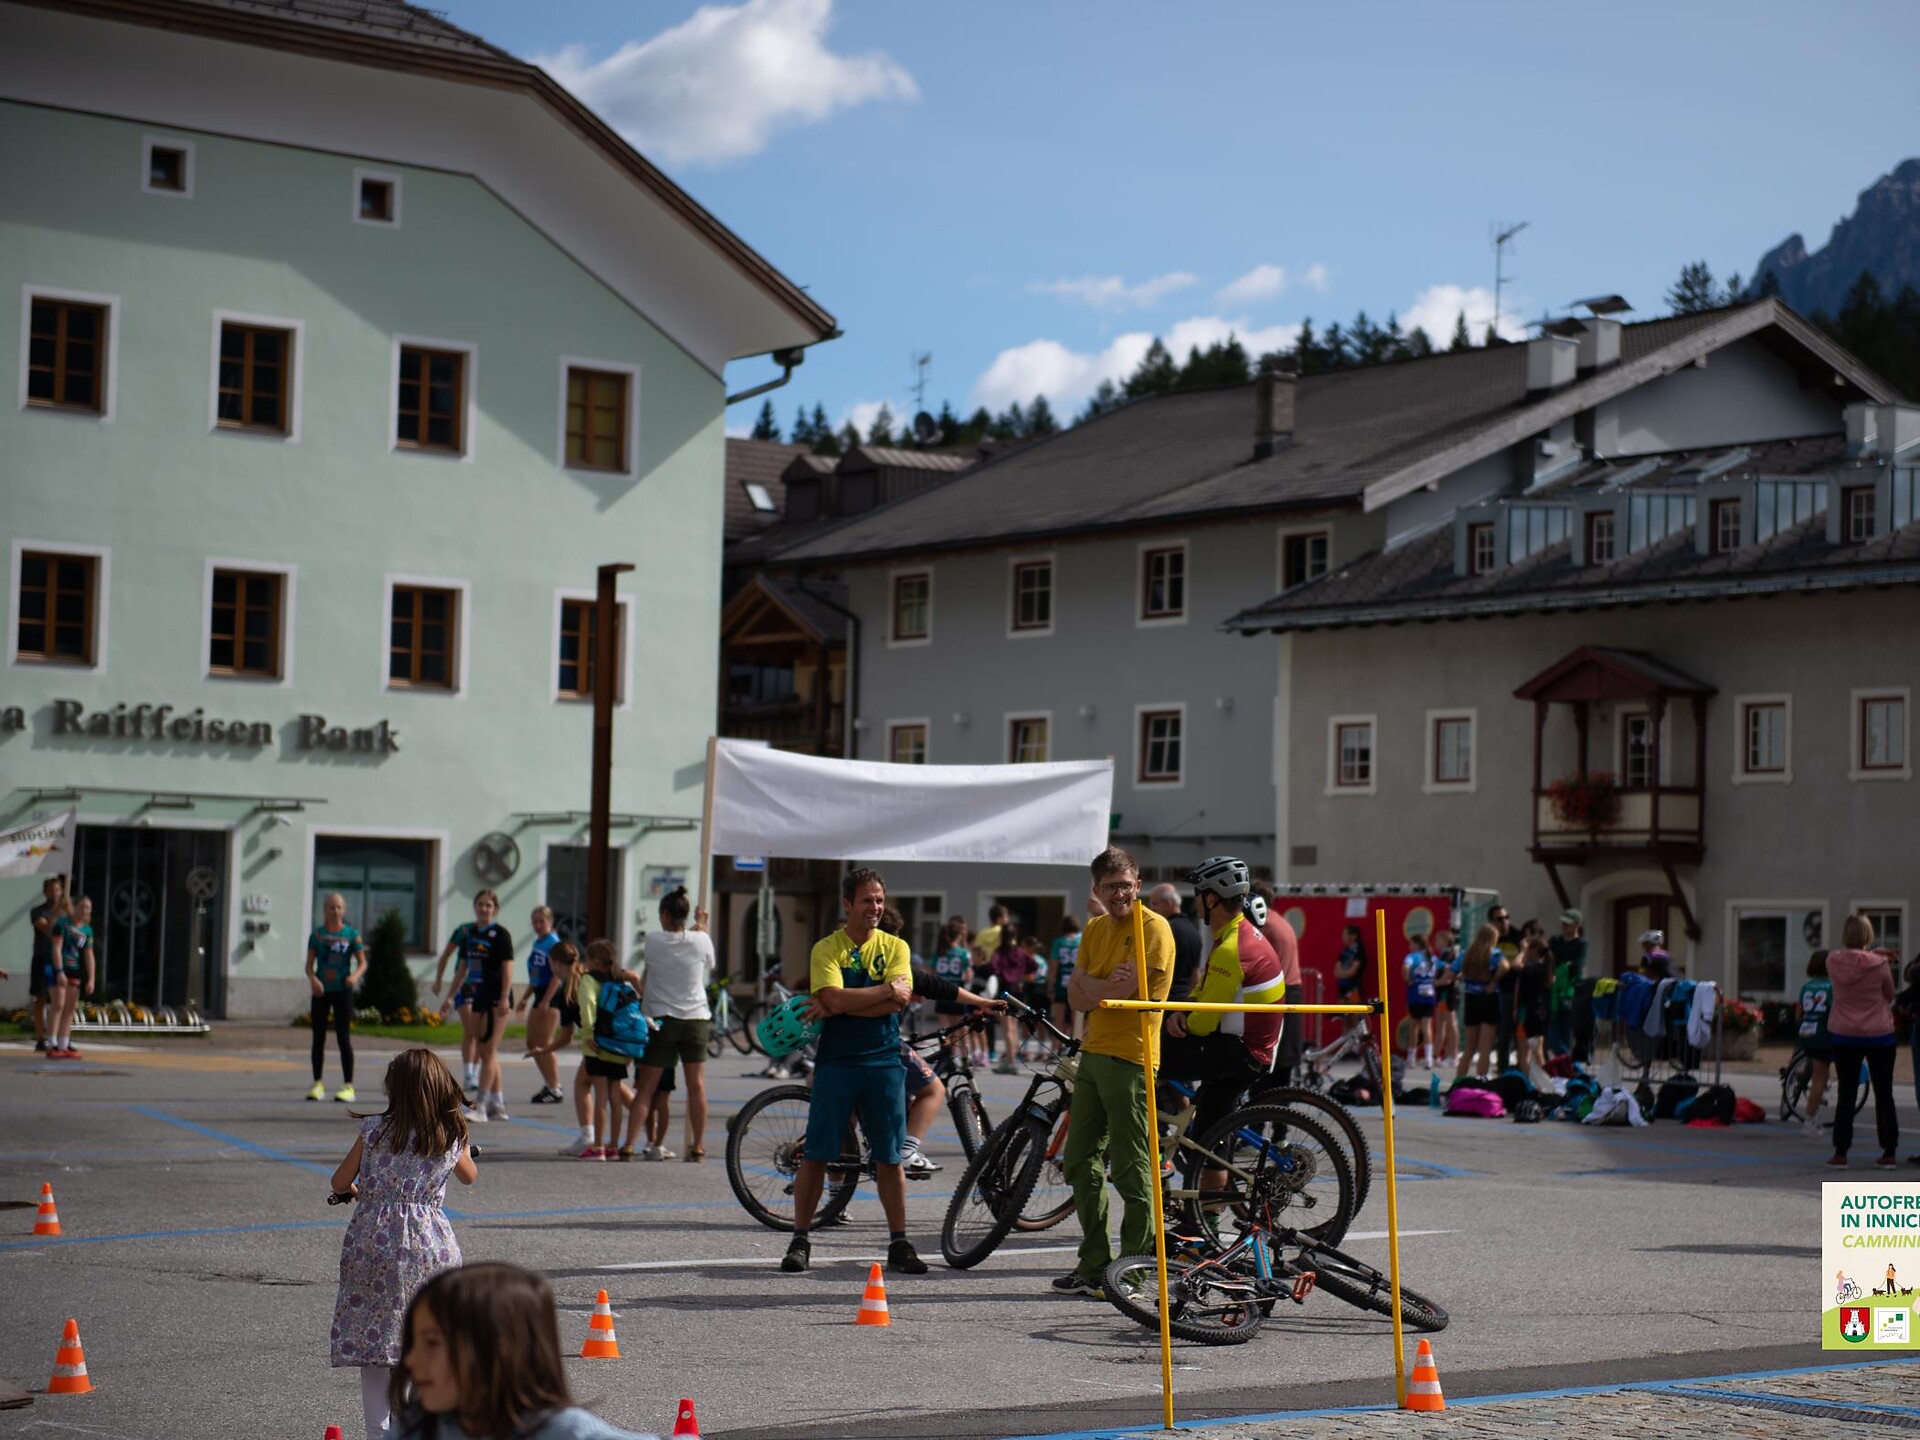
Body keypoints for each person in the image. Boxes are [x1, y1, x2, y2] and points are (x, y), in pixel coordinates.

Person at [780, 867, 925, 1276]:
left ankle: (899, 1242)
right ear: (848, 904)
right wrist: (879, 992)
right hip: (837, 1062)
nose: (875, 907)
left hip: (883, 1062)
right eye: (867, 900)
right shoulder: (827, 948)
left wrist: (846, 1001)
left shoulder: (895, 946)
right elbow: (832, 998)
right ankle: (800, 1239)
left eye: (880, 900)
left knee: (889, 1157)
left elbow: (898, 1003)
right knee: (818, 1154)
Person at [329, 1048, 476, 1440]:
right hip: (430, 1247)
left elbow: (339, 1183)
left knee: (374, 1345)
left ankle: (380, 1434)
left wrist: (363, 1191)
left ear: (394, 1090)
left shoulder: (374, 1129)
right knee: (429, 1339)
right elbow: (469, 1177)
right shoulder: (450, 1133)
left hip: (372, 1243)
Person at [1054, 847, 1175, 1299]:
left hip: (1132, 1056)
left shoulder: (1153, 928)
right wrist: (1097, 989)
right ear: (1097, 891)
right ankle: (1094, 1263)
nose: (1120, 893)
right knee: (1078, 1159)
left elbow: (1120, 991)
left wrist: (1094, 987)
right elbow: (1077, 996)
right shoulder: (1094, 927)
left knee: (1131, 1168)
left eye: (1126, 884)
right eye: (1110, 887)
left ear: (1138, 884)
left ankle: (1133, 1270)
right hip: (1094, 1052)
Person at [386, 1264, 660, 1440]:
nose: (410, 1359)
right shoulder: (415, 1430)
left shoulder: (564, 1432)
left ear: (497, 1350)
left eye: (432, 1343)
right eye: (413, 1343)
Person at [1160, 856, 1282, 1148]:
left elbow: (1202, 1024)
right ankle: (1211, 1181)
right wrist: (1184, 1007)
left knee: (1145, 1056)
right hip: (1246, 1046)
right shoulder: (1235, 932)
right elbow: (1203, 987)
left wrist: (1184, 1020)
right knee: (1208, 1130)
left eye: (1198, 894)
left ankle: (1157, 1141)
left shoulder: (1231, 948)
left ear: (1211, 898)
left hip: (1243, 1053)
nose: (1195, 902)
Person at [882, 906, 999, 1176]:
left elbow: (934, 982)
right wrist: (983, 1002)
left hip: (845, 1044)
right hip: (881, 1042)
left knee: (850, 1116)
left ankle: (834, 1197)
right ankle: (907, 1150)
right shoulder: (892, 963)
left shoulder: (852, 956)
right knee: (933, 1090)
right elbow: (937, 985)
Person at [618, 886, 715, 1163]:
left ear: (664, 914)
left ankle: (629, 1143)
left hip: (661, 1019)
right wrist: (701, 927)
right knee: (696, 1085)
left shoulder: (653, 940)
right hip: (695, 1017)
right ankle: (697, 1145)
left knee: (647, 1086)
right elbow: (708, 960)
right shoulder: (700, 939)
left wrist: (697, 929)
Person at [1826, 914, 1899, 1170]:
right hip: (1879, 1033)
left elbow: (1849, 958)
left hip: (1845, 1033)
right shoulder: (1879, 964)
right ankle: (1889, 1150)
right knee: (1884, 1092)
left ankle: (1840, 1151)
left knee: (1846, 1092)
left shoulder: (1832, 961)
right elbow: (1889, 994)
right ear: (1869, 935)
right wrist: (1876, 955)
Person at [435, 891, 515, 1120]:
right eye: (480, 904)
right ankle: (497, 1104)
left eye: (488, 905)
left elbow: (508, 968)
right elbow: (463, 969)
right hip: (478, 995)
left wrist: (504, 997)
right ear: (474, 907)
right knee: (484, 1050)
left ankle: (480, 1105)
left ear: (495, 909)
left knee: (488, 1051)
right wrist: (450, 996)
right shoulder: (469, 934)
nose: (484, 909)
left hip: (496, 997)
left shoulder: (500, 935)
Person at [569, 939, 640, 1161]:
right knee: (615, 1096)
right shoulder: (618, 978)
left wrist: (588, 1033)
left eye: (587, 959)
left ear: (593, 961)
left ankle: (598, 1146)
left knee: (600, 1096)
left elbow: (588, 1005)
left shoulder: (589, 980)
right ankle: (612, 1146)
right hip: (619, 1044)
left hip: (599, 1044)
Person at [306, 893, 369, 1102]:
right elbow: (308, 965)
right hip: (322, 991)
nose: (335, 911)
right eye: (331, 907)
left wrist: (354, 976)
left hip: (343, 990)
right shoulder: (317, 935)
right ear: (325, 910)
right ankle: (317, 1084)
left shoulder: (352, 934)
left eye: (339, 907)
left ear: (344, 910)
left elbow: (362, 962)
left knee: (343, 1038)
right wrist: (314, 980)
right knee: (318, 1038)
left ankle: (348, 1085)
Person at [1250, 882, 1303, 1083]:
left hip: (1279, 993)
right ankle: (1280, 1109)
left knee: (1266, 1061)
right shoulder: (1280, 921)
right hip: (1292, 990)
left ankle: (1266, 1110)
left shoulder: (1264, 925)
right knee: (1283, 1063)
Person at [517, 906, 566, 1105]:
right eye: (535, 922)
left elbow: (557, 975)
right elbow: (536, 975)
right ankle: (549, 1083)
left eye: (542, 922)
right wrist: (526, 997)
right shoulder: (539, 942)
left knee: (545, 1044)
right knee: (532, 1043)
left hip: (551, 997)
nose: (538, 925)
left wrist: (546, 999)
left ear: (550, 922)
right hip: (539, 994)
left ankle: (555, 1087)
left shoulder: (554, 943)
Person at [1452, 924, 1506, 1081]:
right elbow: (1505, 967)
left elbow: (1452, 971)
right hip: (1489, 999)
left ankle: (1458, 1081)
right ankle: (1482, 1081)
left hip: (1471, 999)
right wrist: (1494, 980)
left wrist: (1461, 977)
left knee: (1469, 1047)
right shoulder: (1495, 954)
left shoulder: (1466, 954)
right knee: (1485, 1048)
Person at [47, 894, 95, 1060]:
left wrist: (91, 978)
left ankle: (63, 1043)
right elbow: (56, 948)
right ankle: (52, 1043)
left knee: (70, 1007)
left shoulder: (87, 930)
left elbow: (89, 955)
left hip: (75, 968)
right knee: (58, 1004)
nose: (84, 910)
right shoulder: (62, 924)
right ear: (75, 906)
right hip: (57, 966)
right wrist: (59, 970)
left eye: (87, 908)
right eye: (81, 906)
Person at [1797, 950, 1834, 1137]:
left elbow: (1799, 1013)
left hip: (1807, 1032)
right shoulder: (1831, 987)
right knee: (1820, 1079)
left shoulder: (1807, 987)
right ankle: (1810, 1119)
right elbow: (1834, 1011)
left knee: (1817, 1074)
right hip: (1823, 1034)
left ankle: (1814, 1113)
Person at [990, 926, 1035, 1073]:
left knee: (1007, 1028)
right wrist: (1022, 975)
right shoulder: (1020, 952)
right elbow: (1033, 965)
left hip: (1005, 990)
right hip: (1019, 990)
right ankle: (1014, 1057)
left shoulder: (1000, 952)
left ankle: (1010, 1061)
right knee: (1014, 1027)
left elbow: (993, 967)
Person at [29, 874, 66, 1053]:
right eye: (51, 891)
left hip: (59, 959)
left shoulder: (65, 912)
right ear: (45, 892)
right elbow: (48, 930)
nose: (55, 894)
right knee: (41, 997)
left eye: (58, 890)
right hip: (42, 957)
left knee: (60, 1001)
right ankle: (40, 1038)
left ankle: (60, 1037)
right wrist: (56, 910)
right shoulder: (38, 911)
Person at [1147, 884, 1204, 998]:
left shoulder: (1164, 930)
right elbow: (1195, 975)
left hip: (1165, 1000)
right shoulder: (1193, 931)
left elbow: (1151, 969)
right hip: (1184, 1001)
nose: (1151, 909)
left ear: (1168, 904)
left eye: (1154, 904)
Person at [1546, 910, 1586, 1059]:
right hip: (1553, 994)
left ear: (1577, 925)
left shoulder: (1580, 944)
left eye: (1567, 923)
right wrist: (1564, 966)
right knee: (1553, 1037)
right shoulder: (1555, 941)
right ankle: (1566, 1061)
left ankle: (1565, 1066)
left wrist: (1564, 967)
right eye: (1562, 922)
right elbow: (1550, 962)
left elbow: (1576, 967)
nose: (1563, 926)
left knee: (1566, 1034)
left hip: (1570, 994)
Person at [1515, 927, 1552, 1076]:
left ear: (1535, 950)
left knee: (1523, 1052)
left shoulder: (1531, 967)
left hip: (1527, 1013)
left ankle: (1528, 1084)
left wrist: (1523, 950)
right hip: (1540, 1012)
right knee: (1538, 1052)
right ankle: (1545, 1081)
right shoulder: (1545, 967)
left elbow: (1516, 965)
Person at [1403, 935, 1440, 1071]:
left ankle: (1411, 1058)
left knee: (1414, 1026)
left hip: (1416, 994)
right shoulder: (1432, 957)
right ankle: (1428, 1059)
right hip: (1429, 994)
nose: (1410, 947)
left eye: (1411, 944)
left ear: (1417, 944)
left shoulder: (1412, 957)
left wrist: (1407, 979)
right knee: (1427, 1026)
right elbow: (1442, 968)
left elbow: (1406, 968)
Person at [1428, 927, 1460, 1067]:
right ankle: (1435, 1055)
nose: (1436, 942)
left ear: (1446, 941)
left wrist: (1434, 982)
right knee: (1440, 1025)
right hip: (1441, 993)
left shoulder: (1450, 955)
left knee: (1451, 1023)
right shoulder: (1441, 956)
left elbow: (1450, 977)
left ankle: (1453, 1056)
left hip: (1448, 992)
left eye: (1438, 940)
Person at [1050, 916, 1083, 1038]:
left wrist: (1051, 985)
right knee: (1076, 1016)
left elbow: (1054, 965)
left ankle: (1057, 1044)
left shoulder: (1059, 942)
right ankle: (1073, 1043)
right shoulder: (1081, 940)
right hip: (1077, 981)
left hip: (1061, 981)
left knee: (1059, 1017)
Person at [1334, 924, 1366, 1035]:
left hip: (1353, 988)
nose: (1343, 937)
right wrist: (1344, 974)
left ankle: (1355, 1048)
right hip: (1342, 988)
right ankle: (1345, 1045)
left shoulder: (1359, 951)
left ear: (1353, 936)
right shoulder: (1344, 951)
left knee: (1354, 1016)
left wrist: (1344, 973)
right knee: (1344, 1017)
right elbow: (1336, 972)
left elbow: (1353, 971)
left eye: (1345, 934)